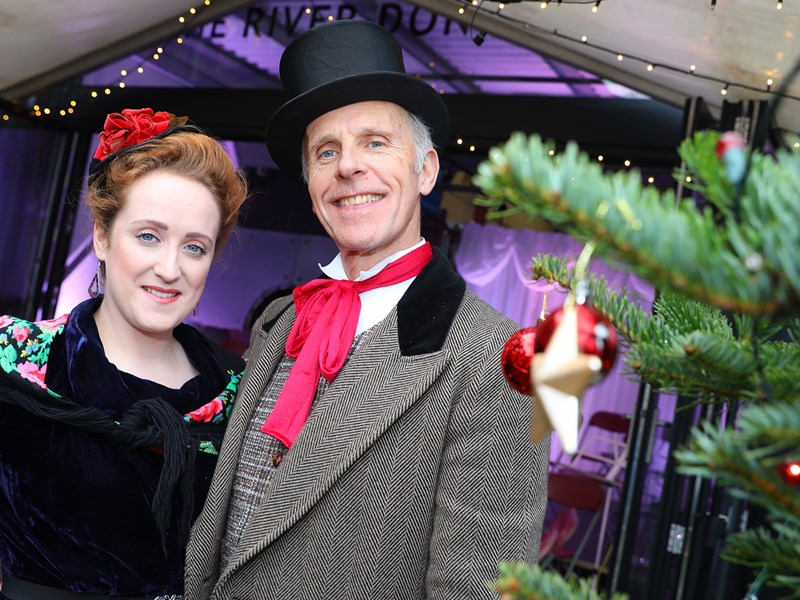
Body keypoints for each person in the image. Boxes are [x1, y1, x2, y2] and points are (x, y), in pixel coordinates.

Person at [185, 20, 549, 600]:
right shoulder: (280, 322)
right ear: (311, 187)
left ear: (426, 170)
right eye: (326, 151)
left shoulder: (498, 363)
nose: (348, 167)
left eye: (375, 142)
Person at [0, 108, 248, 600]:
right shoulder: (18, 357)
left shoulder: (238, 389)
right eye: (149, 236)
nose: (170, 268)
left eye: (194, 247)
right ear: (102, 236)